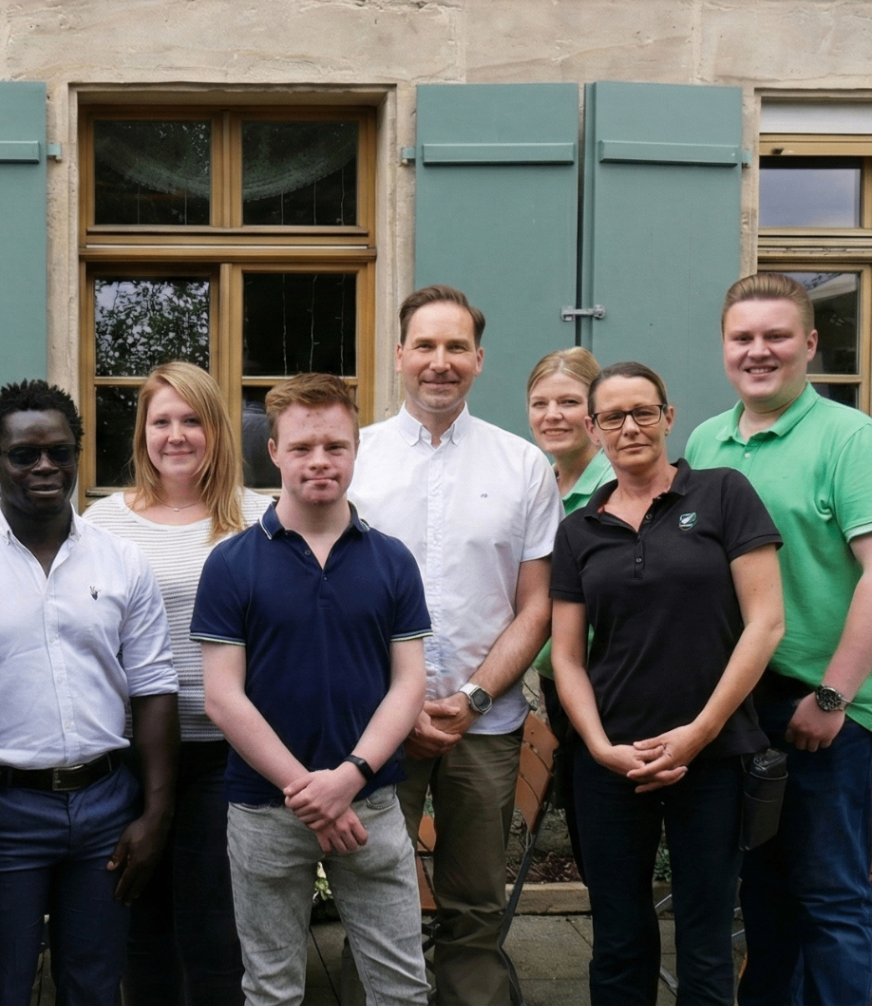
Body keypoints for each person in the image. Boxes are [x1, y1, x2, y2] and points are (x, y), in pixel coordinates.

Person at [0, 380, 180, 1006]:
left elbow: (155, 690)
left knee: (96, 986)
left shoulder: (123, 562)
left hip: (108, 805)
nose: (45, 465)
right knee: (0, 985)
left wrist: (155, 814)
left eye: (59, 451)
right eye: (25, 455)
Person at [684, 274, 872, 1004]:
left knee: (830, 896)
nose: (759, 351)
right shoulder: (704, 439)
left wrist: (832, 695)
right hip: (745, 706)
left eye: (776, 336)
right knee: (764, 893)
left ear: (810, 344)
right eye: (742, 338)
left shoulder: (852, 440)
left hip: (824, 710)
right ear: (723, 347)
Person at [347, 285, 562, 1006]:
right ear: (400, 354)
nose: (441, 362)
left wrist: (472, 699)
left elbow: (537, 608)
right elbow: (334, 603)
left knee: (475, 900)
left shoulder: (523, 466)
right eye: (427, 346)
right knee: (376, 895)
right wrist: (398, 708)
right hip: (378, 724)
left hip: (486, 723)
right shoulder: (357, 461)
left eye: (457, 348)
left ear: (478, 360)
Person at [550, 361, 785, 1005]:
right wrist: (597, 747)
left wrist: (697, 735)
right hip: (611, 763)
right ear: (594, 430)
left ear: (668, 418)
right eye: (614, 417)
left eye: (644, 413)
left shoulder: (723, 493)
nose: (631, 427)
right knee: (620, 941)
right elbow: (568, 657)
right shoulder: (578, 530)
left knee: (707, 941)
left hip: (713, 757)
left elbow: (765, 623)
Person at [193, 373, 431, 1006]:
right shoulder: (230, 562)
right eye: (301, 447)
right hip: (266, 810)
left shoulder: (392, 560)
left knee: (401, 989)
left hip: (370, 804)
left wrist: (346, 779)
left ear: (356, 450)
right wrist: (307, 790)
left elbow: (409, 684)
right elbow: (223, 698)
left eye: (334, 445)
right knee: (271, 990)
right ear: (273, 452)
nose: (319, 461)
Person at [82, 361, 270, 1006]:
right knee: (140, 917)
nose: (176, 435)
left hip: (230, 751)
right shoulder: (103, 523)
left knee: (217, 926)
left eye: (192, 419)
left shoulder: (261, 517)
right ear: (142, 434)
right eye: (161, 421)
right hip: (129, 752)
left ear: (216, 429)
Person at [525, 346, 614, 875]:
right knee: (587, 828)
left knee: (604, 833)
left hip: (608, 681)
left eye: (568, 401)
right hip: (561, 681)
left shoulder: (614, 486)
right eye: (540, 403)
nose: (552, 414)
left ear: (595, 411)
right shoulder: (540, 481)